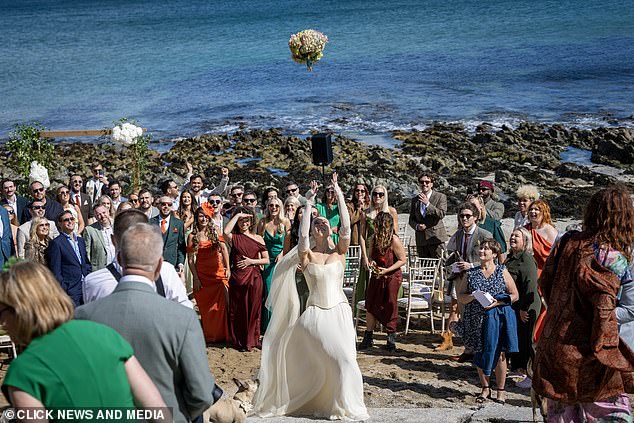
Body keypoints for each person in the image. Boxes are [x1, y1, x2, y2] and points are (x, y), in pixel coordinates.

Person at [252, 172, 369, 421]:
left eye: (324, 223)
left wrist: (339, 192)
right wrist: (308, 204)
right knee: (338, 359)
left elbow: (346, 227)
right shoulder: (307, 256)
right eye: (317, 224)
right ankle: (340, 404)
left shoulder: (339, 252)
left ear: (330, 230)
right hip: (316, 315)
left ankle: (342, 404)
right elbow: (303, 236)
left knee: (346, 359)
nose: (320, 225)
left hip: (339, 312)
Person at [76, 223, 221, 422]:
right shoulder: (183, 318)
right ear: (160, 264)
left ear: (120, 259)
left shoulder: (83, 316)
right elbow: (202, 394)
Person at [0, 261, 167, 413]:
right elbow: (157, 409)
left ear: (20, 309)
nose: (1, 322)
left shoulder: (24, 370)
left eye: (1, 311)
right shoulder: (106, 334)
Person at [533, 185, 634, 422]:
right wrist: (595, 319)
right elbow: (630, 309)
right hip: (596, 351)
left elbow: (546, 286)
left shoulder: (564, 243)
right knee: (611, 414)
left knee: (563, 415)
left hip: (558, 345)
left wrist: (568, 312)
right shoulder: (617, 259)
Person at [82, 209, 192, 308]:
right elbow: (186, 315)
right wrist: (181, 286)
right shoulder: (166, 272)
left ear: (113, 239)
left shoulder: (93, 282)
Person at [455, 239, 519, 404]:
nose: (482, 251)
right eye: (481, 248)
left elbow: (514, 295)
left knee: (500, 353)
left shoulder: (502, 271)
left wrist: (497, 302)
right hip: (475, 317)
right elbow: (461, 296)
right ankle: (485, 388)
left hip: (497, 317)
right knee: (479, 351)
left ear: (495, 254)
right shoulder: (471, 273)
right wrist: (473, 296)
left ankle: (501, 391)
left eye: (486, 249)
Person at [436, 202, 493, 356]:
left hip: (478, 279)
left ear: (475, 217)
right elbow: (453, 254)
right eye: (462, 216)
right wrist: (452, 266)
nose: (464, 218)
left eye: (468, 216)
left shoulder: (484, 234)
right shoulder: (459, 234)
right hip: (460, 279)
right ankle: (468, 350)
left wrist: (472, 265)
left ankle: (479, 351)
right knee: (464, 314)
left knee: (478, 317)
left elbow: (491, 259)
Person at [357, 211, 406, 352]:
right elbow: (371, 256)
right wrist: (372, 262)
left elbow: (402, 260)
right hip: (377, 275)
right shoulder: (374, 239)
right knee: (371, 303)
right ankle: (368, 336)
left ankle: (391, 337)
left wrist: (387, 270)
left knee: (390, 304)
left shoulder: (394, 240)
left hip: (392, 276)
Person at [224, 206, 269, 351]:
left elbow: (266, 260)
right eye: (241, 221)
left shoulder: (258, 238)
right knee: (239, 309)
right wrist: (238, 215)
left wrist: (251, 261)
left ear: (251, 222)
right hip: (238, 278)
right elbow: (225, 232)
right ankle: (240, 341)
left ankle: (253, 339)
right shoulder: (234, 237)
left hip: (254, 278)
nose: (244, 223)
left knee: (254, 309)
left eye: (246, 220)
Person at [188, 205, 230, 343]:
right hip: (202, 274)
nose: (204, 219)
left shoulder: (216, 230)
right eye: (201, 216)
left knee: (223, 304)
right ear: (197, 218)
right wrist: (196, 278)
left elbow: (224, 249)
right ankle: (211, 335)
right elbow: (190, 259)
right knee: (206, 307)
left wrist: (227, 268)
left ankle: (224, 334)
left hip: (217, 272)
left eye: (206, 216)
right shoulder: (192, 236)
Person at [505, 227, 539, 389]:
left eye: (516, 236)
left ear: (525, 241)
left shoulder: (526, 258)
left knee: (526, 339)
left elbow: (530, 285)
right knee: (516, 336)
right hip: (514, 305)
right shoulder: (510, 257)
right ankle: (518, 368)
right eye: (512, 235)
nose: (512, 238)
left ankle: (528, 372)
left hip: (526, 305)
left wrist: (524, 308)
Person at [257, 197, 290, 333]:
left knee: (280, 292)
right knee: (269, 290)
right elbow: (258, 242)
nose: (274, 208)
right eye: (271, 205)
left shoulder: (285, 222)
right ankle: (268, 326)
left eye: (277, 205)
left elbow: (288, 243)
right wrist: (260, 258)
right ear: (268, 207)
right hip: (266, 260)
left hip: (281, 260)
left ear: (280, 207)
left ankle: (279, 326)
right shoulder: (263, 222)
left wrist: (282, 254)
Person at [47, 210, 91, 307]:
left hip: (86, 287)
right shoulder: (56, 243)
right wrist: (65, 288)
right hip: (71, 290)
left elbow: (86, 262)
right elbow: (56, 271)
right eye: (66, 220)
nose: (70, 221)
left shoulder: (81, 241)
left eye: (72, 219)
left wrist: (88, 274)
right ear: (60, 224)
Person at [408, 172, 448, 258]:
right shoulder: (415, 200)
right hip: (421, 240)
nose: (424, 184)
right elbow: (411, 220)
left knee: (441, 264)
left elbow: (441, 214)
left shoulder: (440, 197)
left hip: (436, 238)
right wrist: (417, 226)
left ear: (431, 184)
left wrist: (428, 204)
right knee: (424, 265)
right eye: (422, 182)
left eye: (427, 182)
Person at [467, 194, 507, 262]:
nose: (471, 209)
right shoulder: (465, 225)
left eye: (474, 206)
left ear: (481, 206)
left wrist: (502, 267)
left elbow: (501, 251)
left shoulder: (492, 224)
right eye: (469, 206)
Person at [150, 196, 186, 270]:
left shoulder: (178, 224)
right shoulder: (150, 222)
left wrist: (180, 263)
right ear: (158, 206)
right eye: (163, 204)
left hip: (172, 265)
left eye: (169, 204)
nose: (166, 207)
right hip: (154, 264)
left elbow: (181, 247)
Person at [83, 204, 116, 271]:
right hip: (100, 270)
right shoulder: (90, 230)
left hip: (117, 267)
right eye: (99, 215)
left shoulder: (117, 226)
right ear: (95, 217)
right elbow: (87, 253)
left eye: (104, 212)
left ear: (108, 212)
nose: (102, 216)